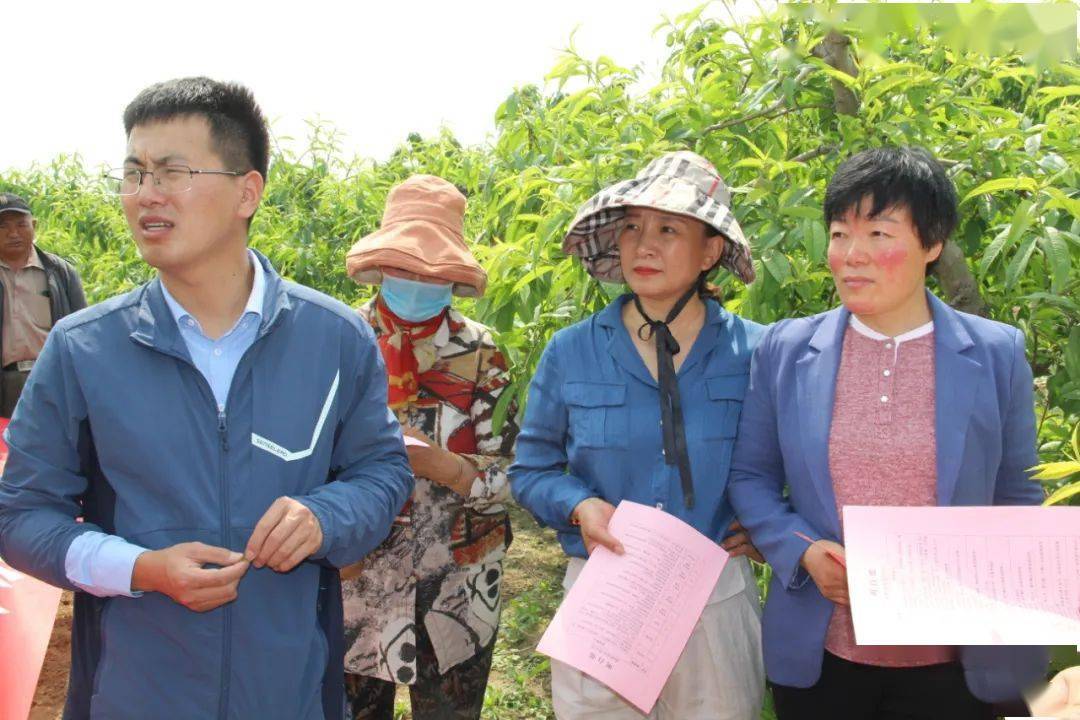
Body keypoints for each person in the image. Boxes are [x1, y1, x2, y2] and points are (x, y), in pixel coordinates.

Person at [0, 77, 413, 720]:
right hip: (134, 694)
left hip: (287, 693)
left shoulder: (334, 340)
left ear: (247, 191)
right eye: (133, 173)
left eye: (172, 171)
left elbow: (382, 471)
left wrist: (324, 516)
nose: (144, 195)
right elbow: (21, 515)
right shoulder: (83, 351)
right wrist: (140, 568)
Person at [726, 146, 1048, 720]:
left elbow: (1018, 494)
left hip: (960, 663)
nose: (852, 256)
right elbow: (752, 476)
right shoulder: (786, 349)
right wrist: (803, 551)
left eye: (878, 234)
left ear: (932, 243)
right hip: (825, 656)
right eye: (838, 234)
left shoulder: (996, 353)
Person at [510, 151, 767, 719]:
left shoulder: (758, 353)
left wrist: (769, 524)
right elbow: (531, 469)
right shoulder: (572, 351)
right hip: (606, 591)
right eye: (632, 227)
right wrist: (580, 505)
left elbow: (794, 461)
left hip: (713, 593)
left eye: (669, 229)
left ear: (711, 250)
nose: (643, 245)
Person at [340, 174, 519, 719]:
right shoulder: (339, 340)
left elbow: (517, 476)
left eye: (430, 270)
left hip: (457, 593)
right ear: (380, 266)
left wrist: (446, 467)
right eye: (405, 266)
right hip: (359, 585)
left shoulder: (484, 354)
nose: (417, 278)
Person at [0, 192, 86, 417]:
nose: (13, 233)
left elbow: (83, 334)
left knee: (52, 447)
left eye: (21, 224)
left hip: (51, 377)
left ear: (34, 225)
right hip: (5, 382)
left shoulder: (60, 273)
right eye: (3, 226)